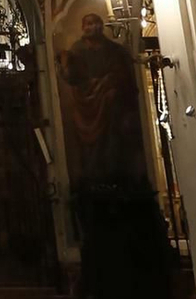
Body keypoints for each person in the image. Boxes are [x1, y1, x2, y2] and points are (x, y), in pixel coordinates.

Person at [59, 12, 144, 181]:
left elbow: (123, 76)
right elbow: (73, 77)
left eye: (96, 23)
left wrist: (110, 83)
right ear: (83, 28)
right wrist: (65, 64)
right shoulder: (77, 50)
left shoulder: (115, 50)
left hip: (112, 109)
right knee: (91, 149)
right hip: (87, 107)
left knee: (115, 140)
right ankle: (92, 175)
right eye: (88, 24)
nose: (92, 27)